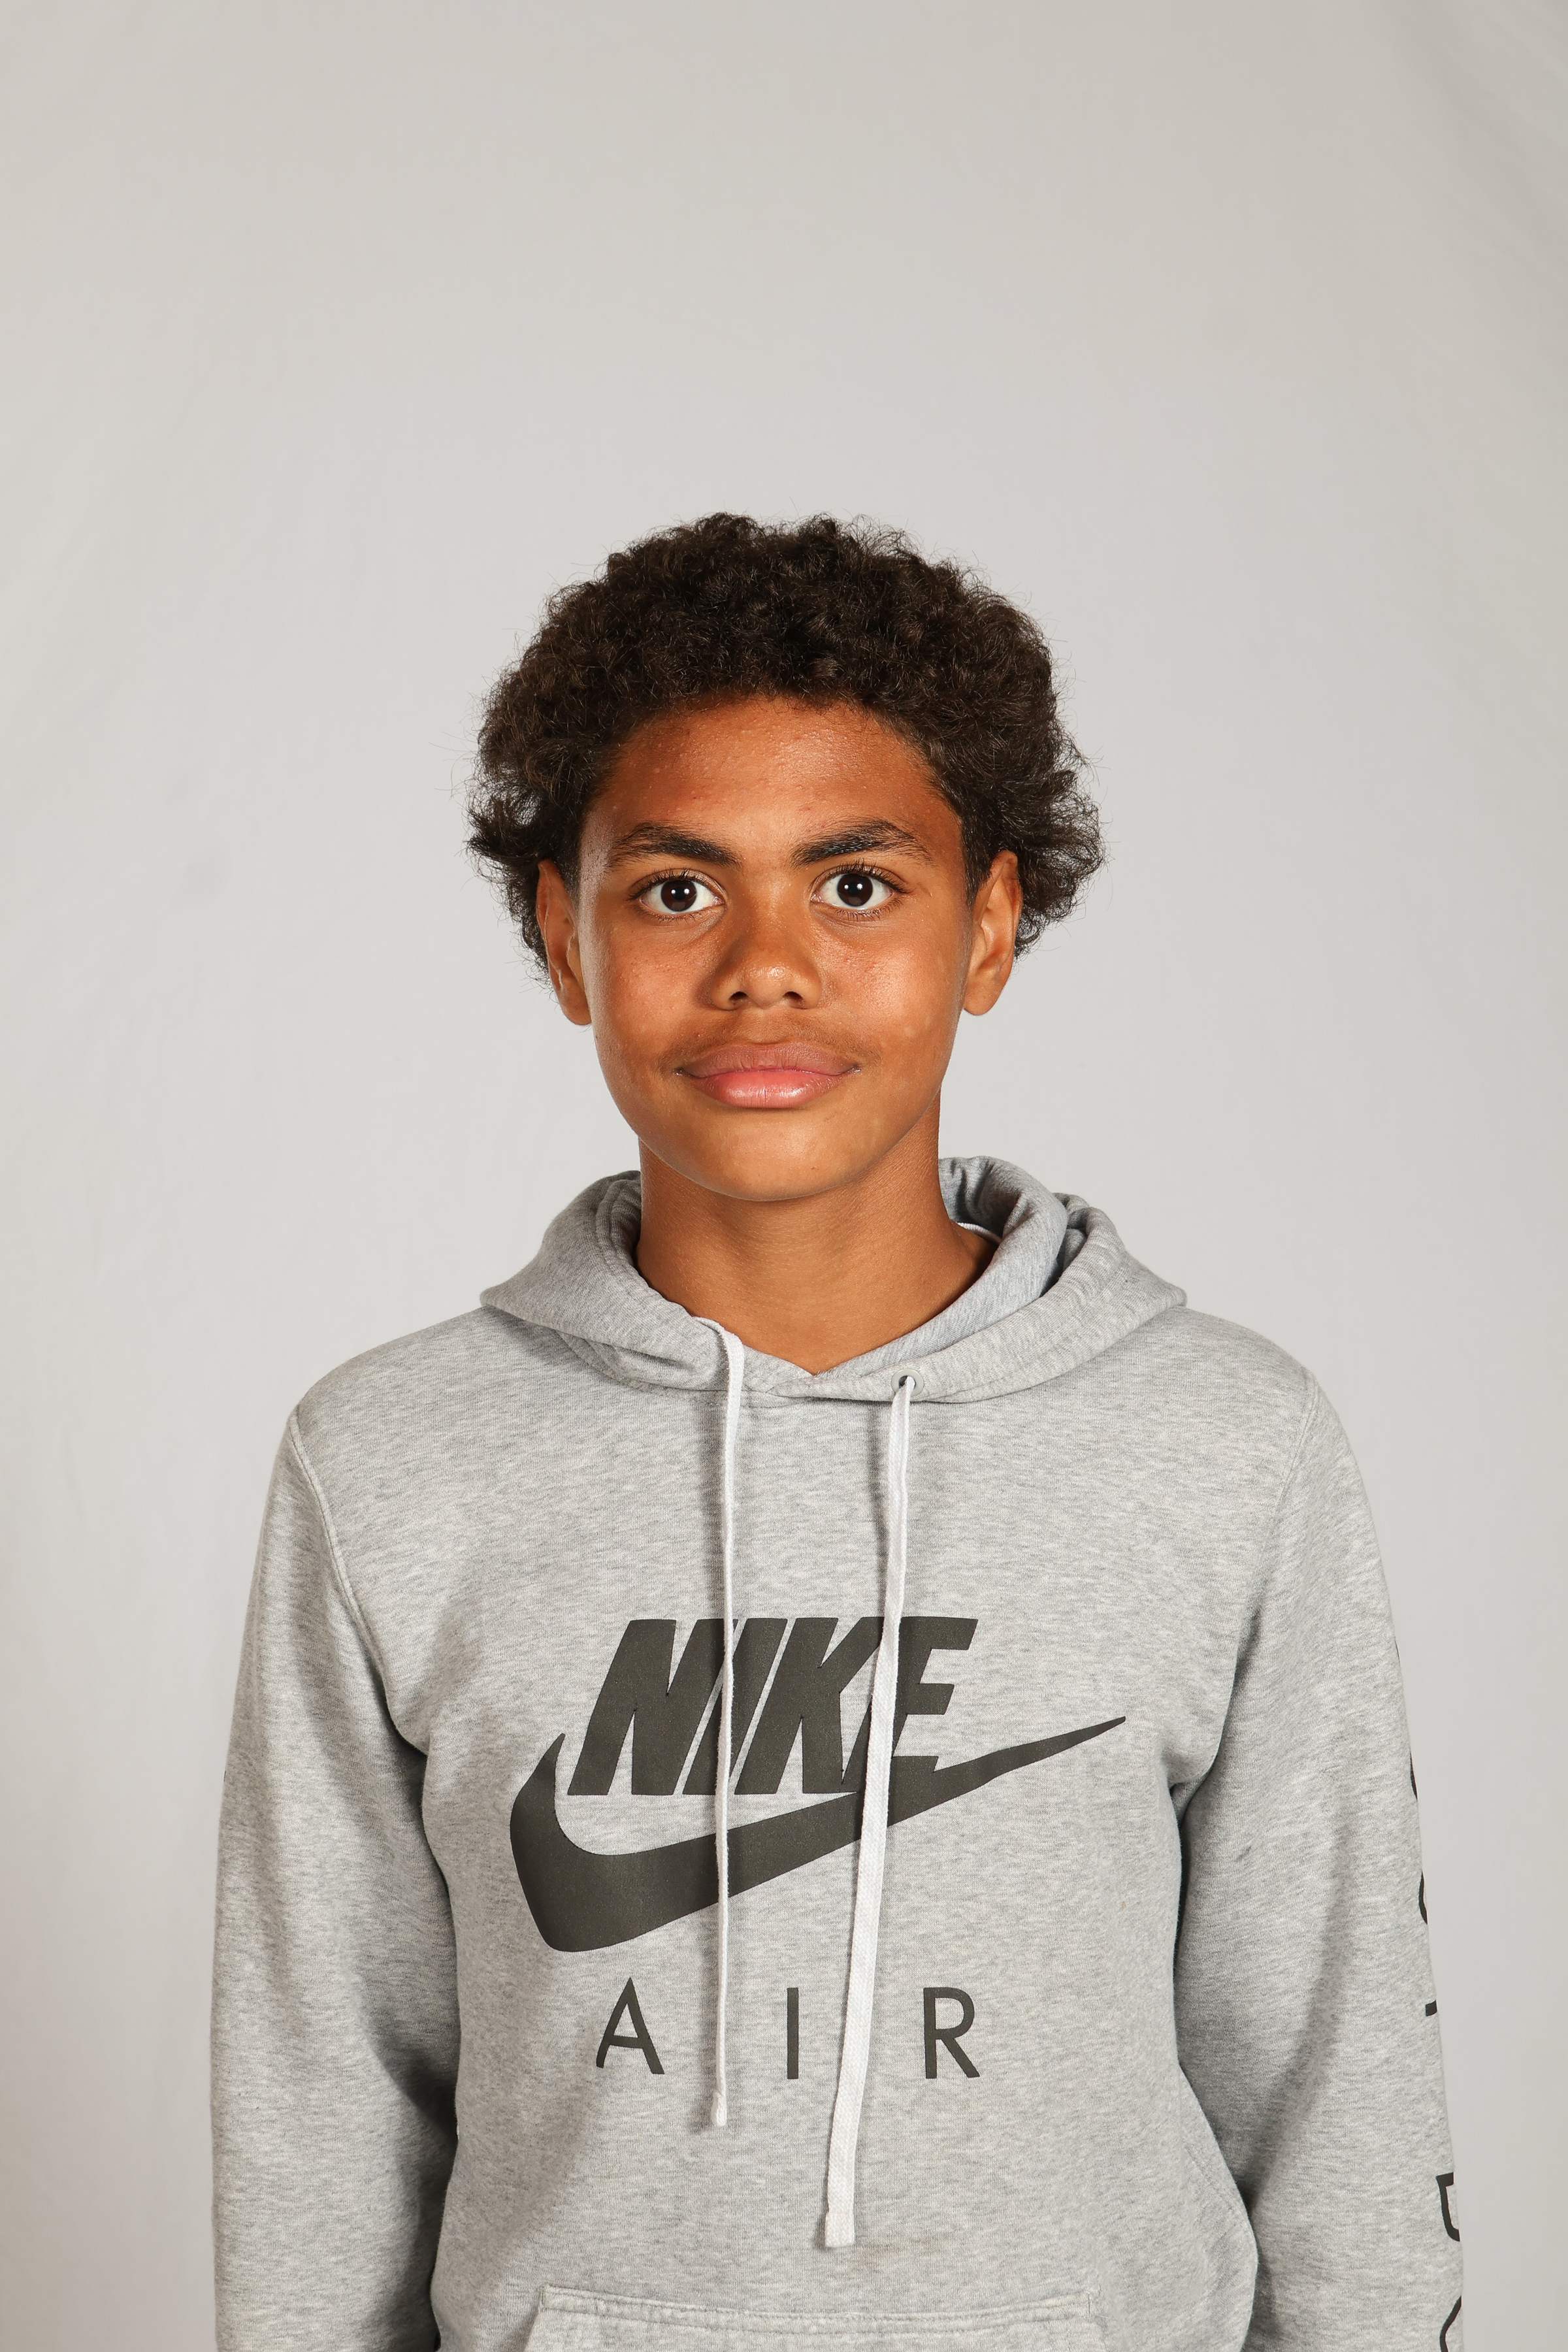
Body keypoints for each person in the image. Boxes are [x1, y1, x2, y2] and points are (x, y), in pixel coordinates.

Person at [212, 515, 1463, 2352]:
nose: (767, 965)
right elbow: (321, 2112)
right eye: (676, 891)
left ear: (991, 926)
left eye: (858, 884)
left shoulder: (1225, 1444)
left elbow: (1338, 2088)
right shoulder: (393, 1462)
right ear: (562, 935)